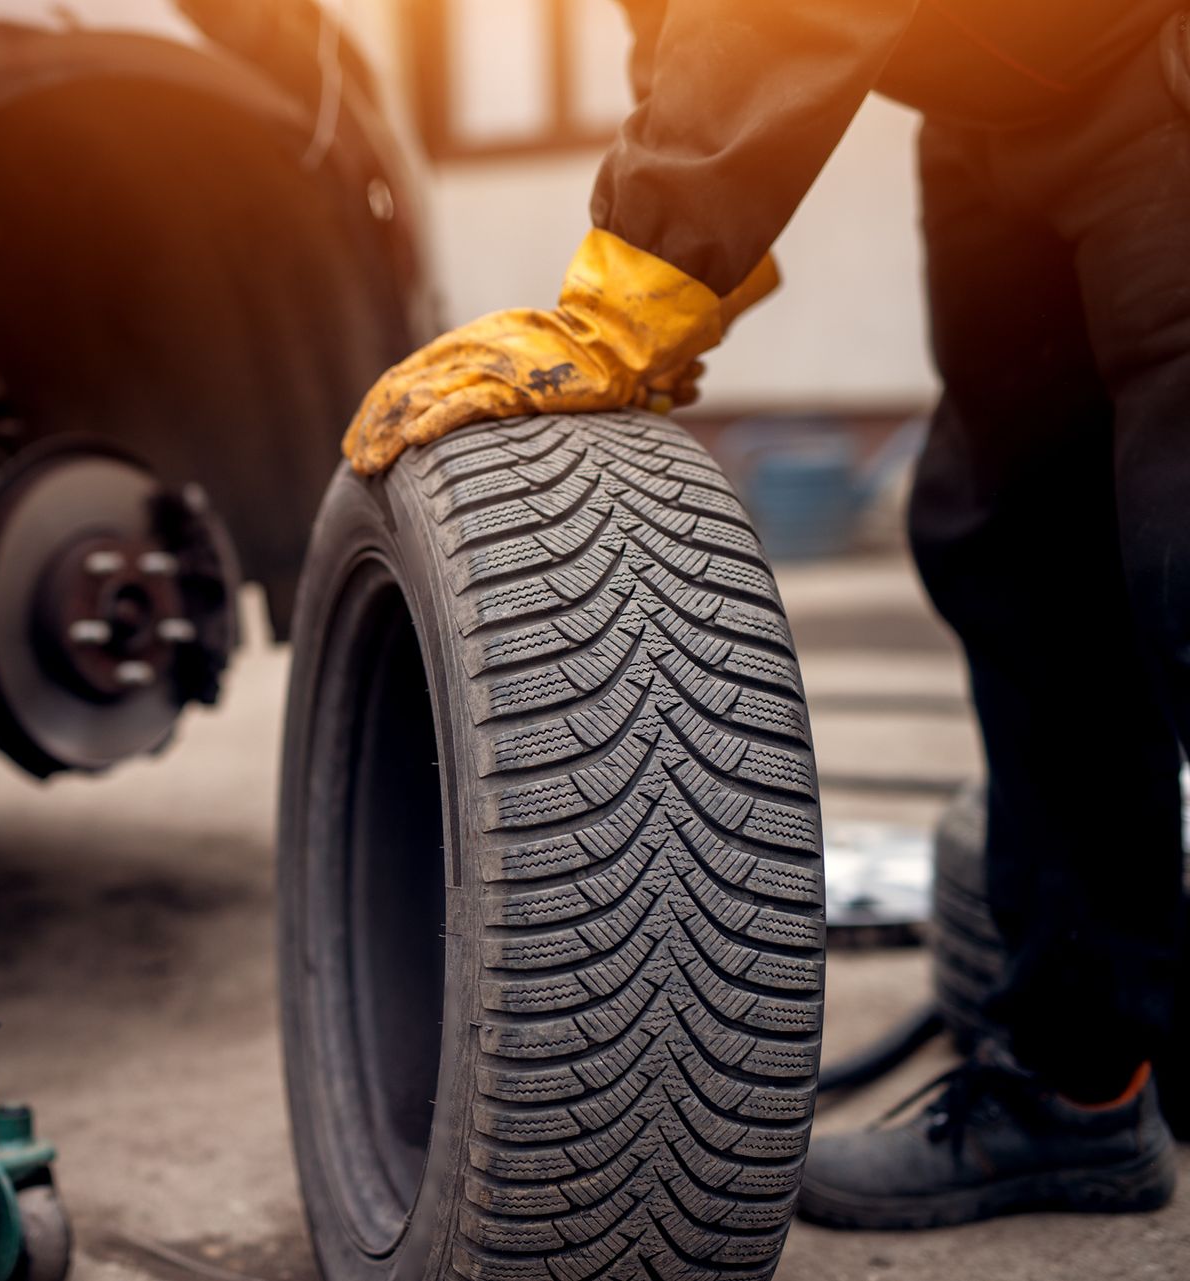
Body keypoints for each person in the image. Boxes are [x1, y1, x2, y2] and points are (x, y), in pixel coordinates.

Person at [345, 0, 1190, 1230]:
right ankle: (1080, 1095)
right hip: (1002, 113)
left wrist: (647, 272)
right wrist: (706, 223)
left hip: (1161, 73)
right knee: (1018, 551)